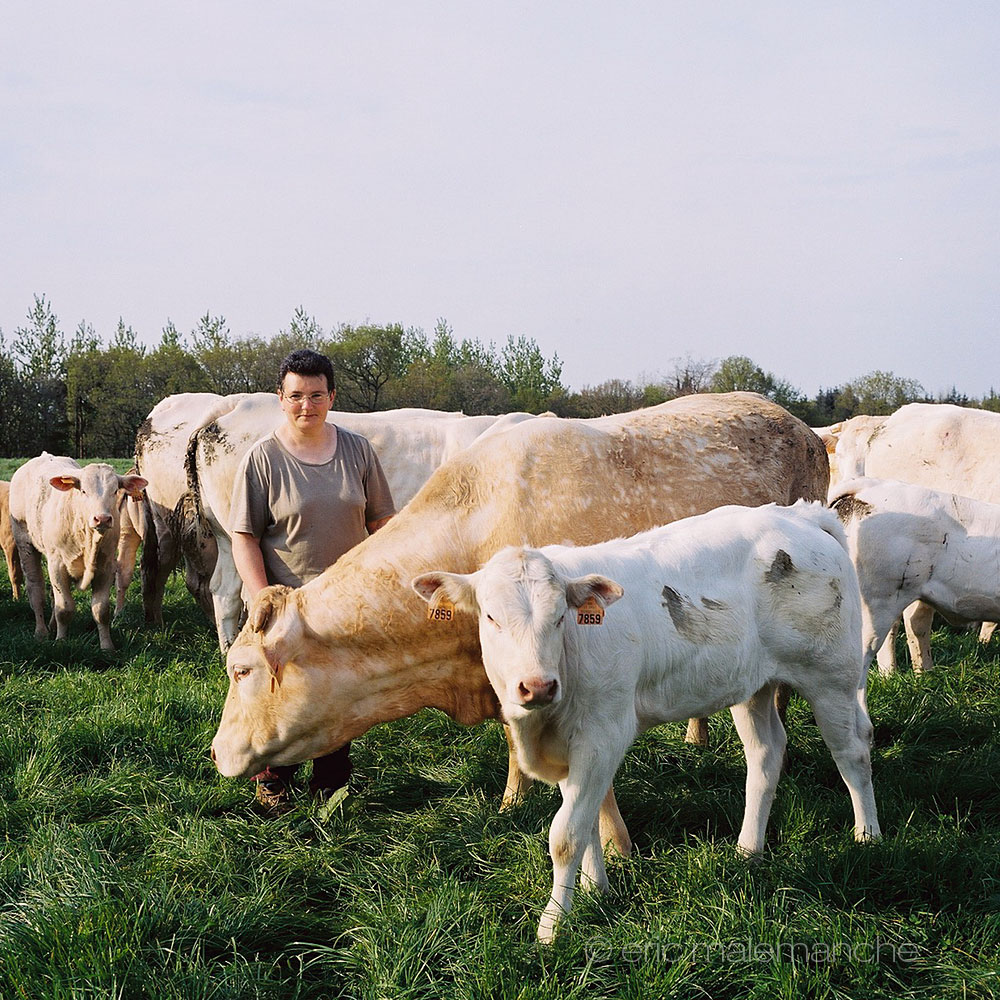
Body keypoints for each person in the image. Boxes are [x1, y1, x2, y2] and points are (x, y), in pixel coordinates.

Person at [230, 348, 395, 812]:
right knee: (278, 691)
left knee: (338, 690)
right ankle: (273, 780)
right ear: (280, 399)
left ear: (332, 397)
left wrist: (382, 580)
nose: (308, 405)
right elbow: (244, 536)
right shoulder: (262, 459)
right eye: (297, 395)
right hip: (284, 601)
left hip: (344, 601)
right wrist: (261, 592)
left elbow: (383, 522)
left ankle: (331, 784)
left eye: (317, 395)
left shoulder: (358, 450)